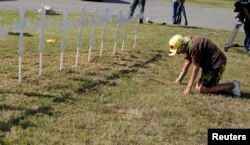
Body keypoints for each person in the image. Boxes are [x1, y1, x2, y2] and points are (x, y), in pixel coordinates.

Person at [168, 35, 241, 97]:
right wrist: (179, 79)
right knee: (198, 87)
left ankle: (233, 85)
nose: (178, 53)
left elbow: (195, 68)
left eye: (177, 51)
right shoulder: (187, 43)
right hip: (208, 66)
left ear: (181, 46)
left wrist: (188, 87)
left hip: (217, 65)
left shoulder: (193, 47)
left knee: (203, 89)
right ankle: (222, 86)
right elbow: (187, 62)